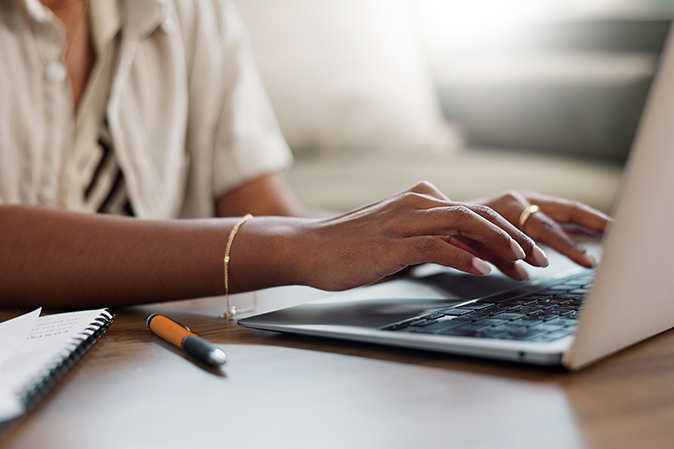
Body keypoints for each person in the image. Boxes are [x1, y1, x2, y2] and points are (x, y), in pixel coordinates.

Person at [0, 0, 610, 310]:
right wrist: (296, 246)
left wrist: (434, 233)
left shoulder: (191, 12)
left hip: (128, 363)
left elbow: (264, 208)